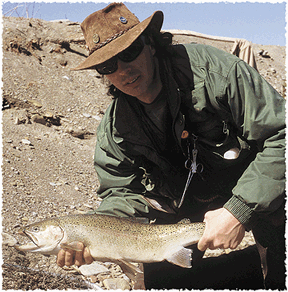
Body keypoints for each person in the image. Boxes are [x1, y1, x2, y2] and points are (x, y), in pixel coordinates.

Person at [56, 3, 285, 289]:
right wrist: (92, 233)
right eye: (108, 65)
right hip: (183, 205)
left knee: (280, 266)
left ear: (150, 43)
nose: (124, 71)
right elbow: (121, 191)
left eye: (129, 53)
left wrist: (238, 209)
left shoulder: (215, 73)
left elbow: (281, 136)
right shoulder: (116, 127)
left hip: (252, 183)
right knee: (164, 282)